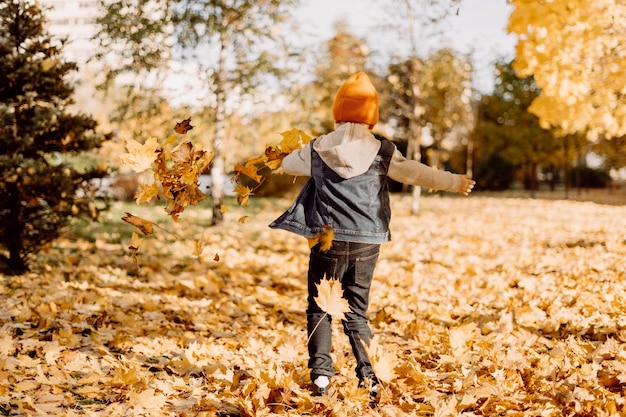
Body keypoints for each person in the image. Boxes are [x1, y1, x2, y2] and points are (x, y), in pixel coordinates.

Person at [269, 72, 475, 398]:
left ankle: (321, 376)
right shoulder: (383, 150)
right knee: (355, 310)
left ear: (337, 115)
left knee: (320, 308)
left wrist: (286, 155)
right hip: (368, 240)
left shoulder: (318, 148)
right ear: (371, 119)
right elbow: (415, 173)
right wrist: (453, 181)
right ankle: (370, 377)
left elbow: (290, 165)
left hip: (328, 239)